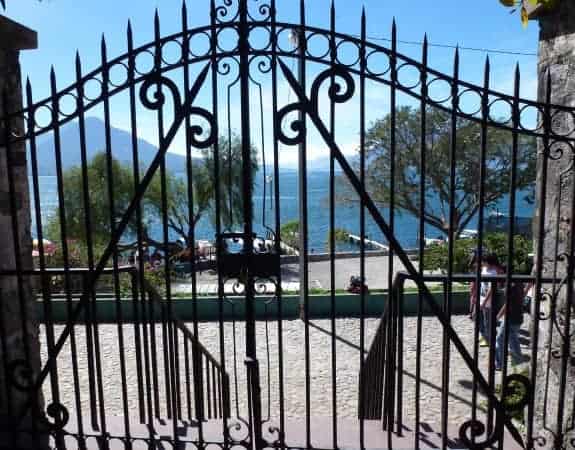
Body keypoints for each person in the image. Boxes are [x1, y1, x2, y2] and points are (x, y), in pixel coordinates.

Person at [495, 281, 525, 370]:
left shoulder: (510, 287)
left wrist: (498, 316)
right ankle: (518, 365)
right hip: (518, 317)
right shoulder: (519, 284)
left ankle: (500, 364)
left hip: (510, 319)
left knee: (501, 340)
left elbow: (507, 304)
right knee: (513, 341)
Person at [478, 254, 504, 347]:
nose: (481, 263)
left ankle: (489, 339)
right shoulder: (485, 269)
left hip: (489, 299)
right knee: (484, 319)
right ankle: (488, 336)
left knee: (488, 321)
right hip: (482, 297)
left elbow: (492, 288)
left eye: (483, 261)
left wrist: (485, 301)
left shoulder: (493, 272)